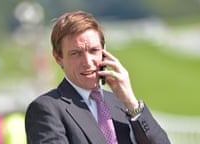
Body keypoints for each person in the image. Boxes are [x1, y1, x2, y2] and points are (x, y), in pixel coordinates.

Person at [25, 11, 171, 144]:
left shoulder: (120, 104)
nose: (88, 62)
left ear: (104, 52)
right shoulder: (46, 109)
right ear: (58, 58)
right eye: (76, 53)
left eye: (94, 50)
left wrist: (131, 103)